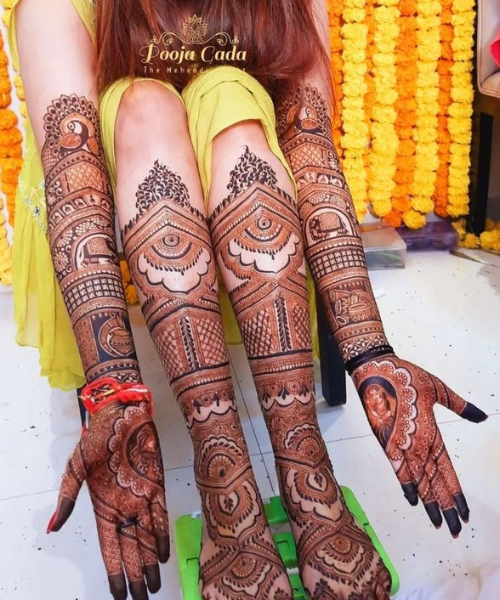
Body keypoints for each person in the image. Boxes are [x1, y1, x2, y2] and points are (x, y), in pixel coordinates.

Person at [9, 1, 487, 599]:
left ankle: (306, 470)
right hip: (115, 181)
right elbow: (74, 186)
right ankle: (223, 482)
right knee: (147, 105)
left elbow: (310, 148)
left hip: (243, 162)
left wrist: (370, 351)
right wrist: (113, 390)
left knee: (232, 104)